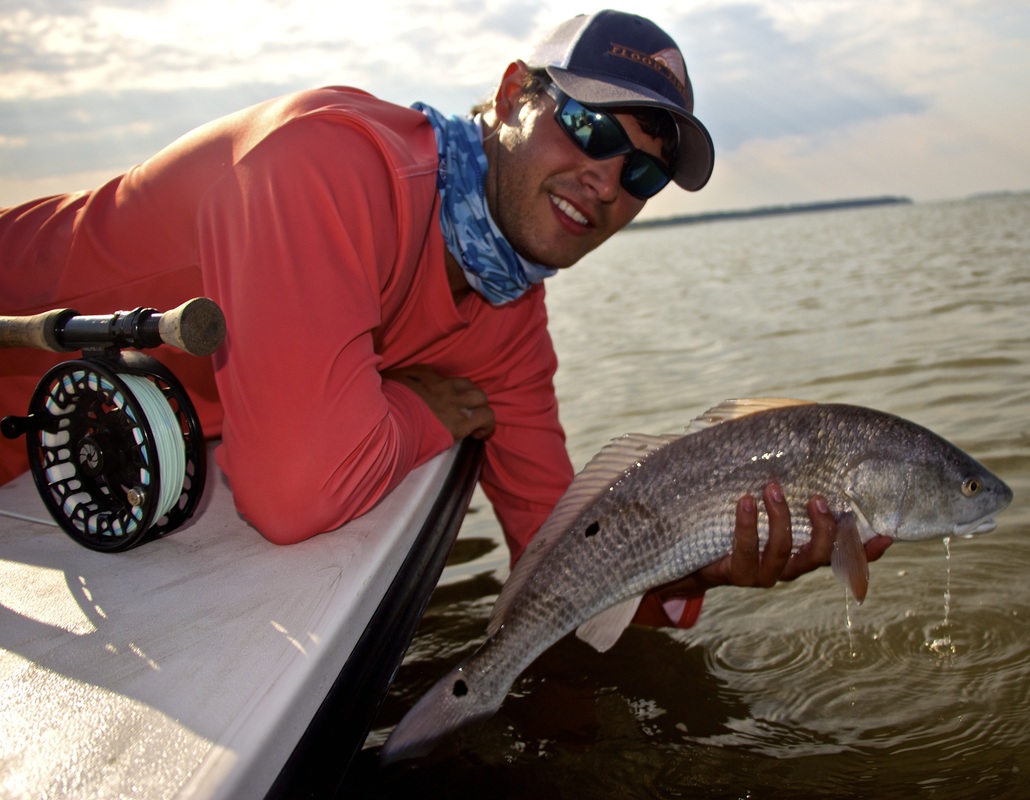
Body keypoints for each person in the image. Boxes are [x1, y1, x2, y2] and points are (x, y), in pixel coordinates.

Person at [0, 10, 889, 627]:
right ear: (511, 96)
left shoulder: (510, 317)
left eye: (644, 175)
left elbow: (556, 552)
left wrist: (698, 565)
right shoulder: (329, 164)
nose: (609, 180)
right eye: (588, 127)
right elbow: (295, 493)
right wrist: (426, 411)